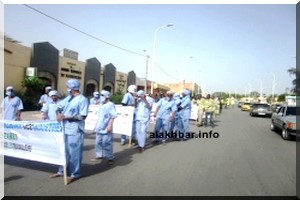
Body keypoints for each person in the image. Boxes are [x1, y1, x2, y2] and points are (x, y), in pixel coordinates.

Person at [49, 79, 88, 184]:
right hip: (64, 129)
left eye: (68, 87)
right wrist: (58, 114)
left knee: (74, 153)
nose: (67, 89)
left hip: (75, 130)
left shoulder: (82, 99)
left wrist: (66, 117)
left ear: (72, 88)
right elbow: (58, 107)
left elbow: (82, 116)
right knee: (63, 151)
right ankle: (61, 171)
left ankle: (75, 174)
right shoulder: (68, 98)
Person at [91, 90, 117, 164]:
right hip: (99, 127)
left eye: (102, 95)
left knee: (107, 143)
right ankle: (99, 155)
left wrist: (110, 125)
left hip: (106, 128)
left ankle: (110, 158)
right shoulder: (101, 104)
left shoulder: (110, 104)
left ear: (107, 96)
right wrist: (95, 126)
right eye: (100, 95)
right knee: (97, 143)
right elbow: (99, 117)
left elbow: (113, 116)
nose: (100, 97)